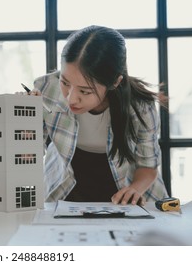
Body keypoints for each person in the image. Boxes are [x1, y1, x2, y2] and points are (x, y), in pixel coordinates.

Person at [24, 25, 169, 205]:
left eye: (85, 91)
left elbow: (148, 166)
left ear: (115, 82)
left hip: (124, 190)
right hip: (64, 185)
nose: (71, 99)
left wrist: (134, 189)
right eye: (65, 82)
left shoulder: (140, 107)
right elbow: (28, 155)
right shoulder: (47, 88)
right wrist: (23, 117)